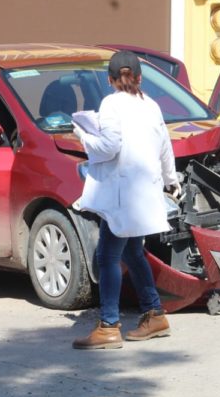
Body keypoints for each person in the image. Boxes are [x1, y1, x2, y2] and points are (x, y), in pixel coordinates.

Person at [71, 50, 180, 349]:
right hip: (145, 192)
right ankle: (155, 315)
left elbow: (107, 147)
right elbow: (164, 148)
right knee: (133, 252)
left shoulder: (110, 103)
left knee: (107, 257)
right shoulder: (152, 105)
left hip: (121, 195)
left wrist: (83, 135)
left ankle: (108, 326)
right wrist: (172, 180)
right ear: (140, 78)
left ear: (109, 80)